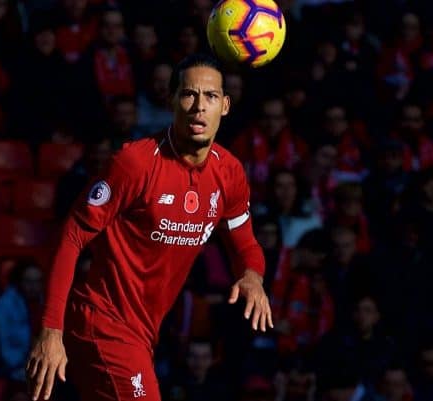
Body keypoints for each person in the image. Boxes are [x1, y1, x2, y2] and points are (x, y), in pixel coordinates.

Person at [27, 53, 272, 401]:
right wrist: (51, 329)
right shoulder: (135, 164)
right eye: (189, 94)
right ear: (172, 99)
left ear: (226, 106)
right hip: (102, 322)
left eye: (211, 97)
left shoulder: (229, 172)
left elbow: (245, 245)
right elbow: (71, 236)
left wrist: (252, 276)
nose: (199, 106)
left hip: (144, 333)